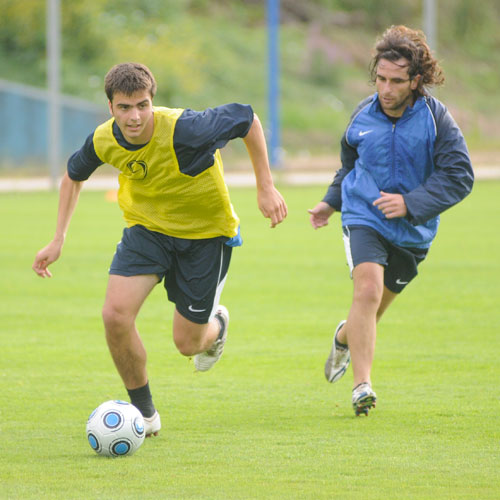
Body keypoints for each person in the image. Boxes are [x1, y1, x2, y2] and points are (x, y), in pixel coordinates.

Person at [33, 62, 287, 435]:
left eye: (142, 105)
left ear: (153, 101)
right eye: (124, 107)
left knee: (188, 344)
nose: (134, 116)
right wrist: (58, 239)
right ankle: (144, 416)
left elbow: (247, 119)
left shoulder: (187, 129)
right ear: (110, 108)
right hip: (147, 231)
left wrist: (265, 186)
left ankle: (217, 326)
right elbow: (73, 176)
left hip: (205, 236)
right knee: (115, 316)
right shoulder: (104, 139)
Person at [308, 25, 473, 416]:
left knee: (372, 311)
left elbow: (460, 175)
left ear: (416, 81)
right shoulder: (362, 115)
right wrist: (331, 202)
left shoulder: (437, 119)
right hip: (363, 215)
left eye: (397, 81)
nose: (386, 88)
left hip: (413, 231)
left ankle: (345, 338)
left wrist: (412, 203)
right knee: (366, 292)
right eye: (380, 78)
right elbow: (349, 166)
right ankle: (362, 386)